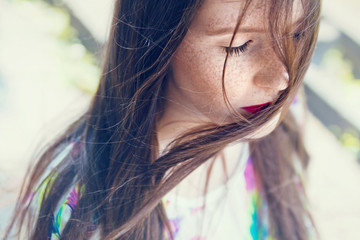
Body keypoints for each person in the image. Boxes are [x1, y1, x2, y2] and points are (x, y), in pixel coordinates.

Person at [5, 0, 321, 239]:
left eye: (296, 33)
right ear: (156, 38)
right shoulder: (83, 209)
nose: (281, 76)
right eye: (238, 46)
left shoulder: (284, 111)